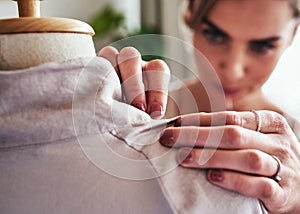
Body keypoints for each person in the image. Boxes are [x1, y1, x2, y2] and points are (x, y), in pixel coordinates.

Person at [99, 0, 300, 213]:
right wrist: (101, 109)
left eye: (263, 46)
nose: (233, 70)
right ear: (189, 16)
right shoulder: (138, 112)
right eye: (215, 36)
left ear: (292, 35)